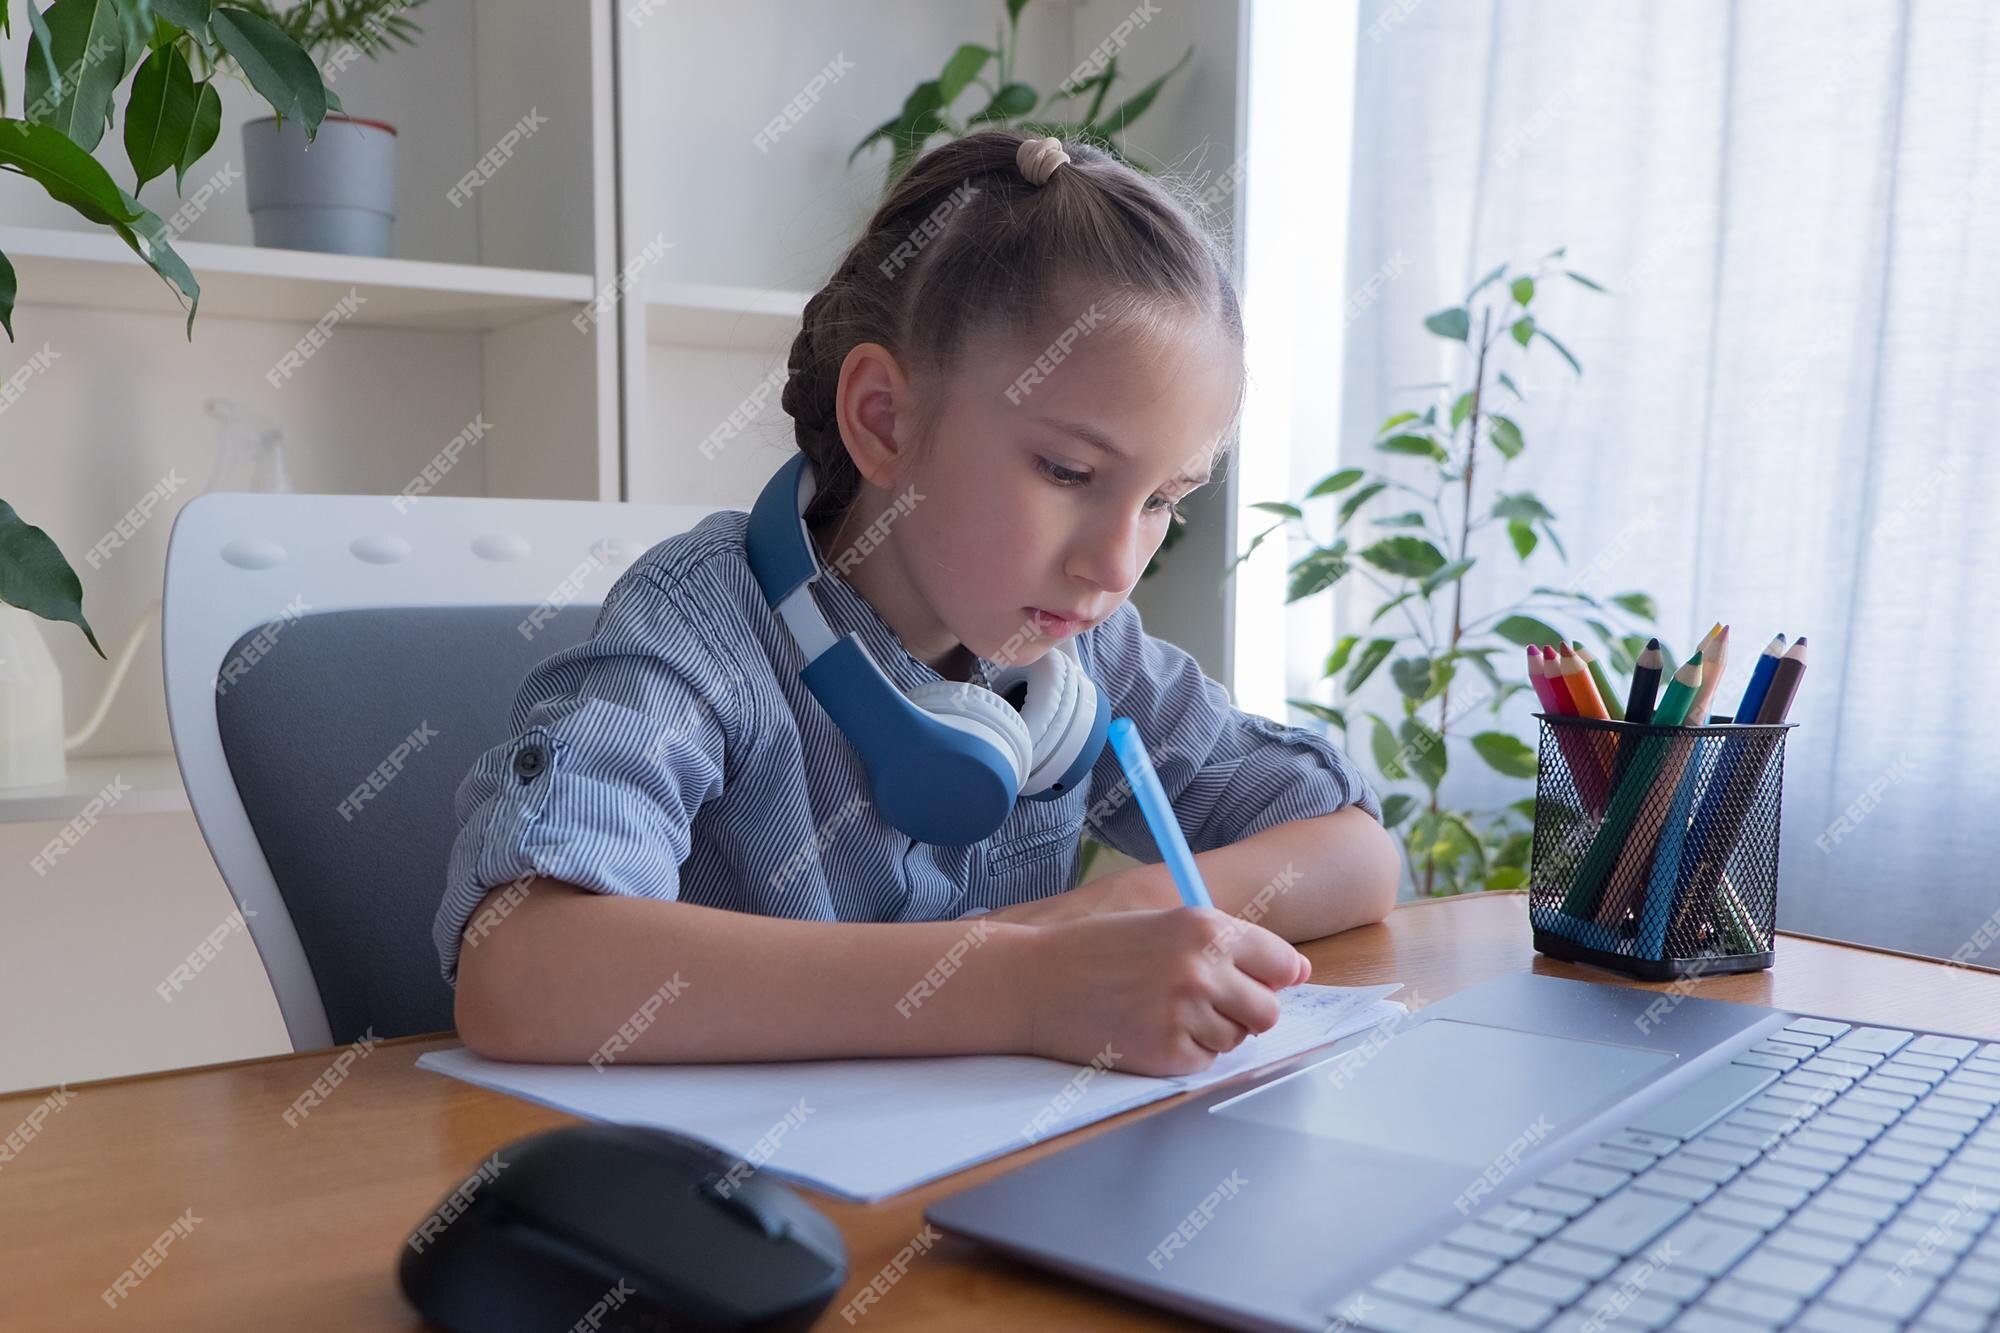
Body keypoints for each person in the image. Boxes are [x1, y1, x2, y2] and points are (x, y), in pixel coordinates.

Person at [440, 131, 1399, 1077]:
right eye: (1069, 471)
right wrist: (1021, 983)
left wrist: (1103, 914)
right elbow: (519, 966)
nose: (1116, 564)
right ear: (883, 422)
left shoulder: (1082, 656)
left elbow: (1356, 854)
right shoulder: (700, 629)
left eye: (1162, 501)